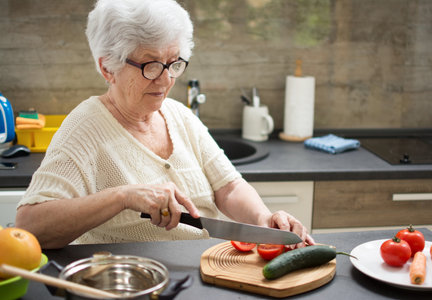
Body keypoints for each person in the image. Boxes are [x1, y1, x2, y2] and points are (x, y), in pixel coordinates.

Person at [15, 0, 315, 249]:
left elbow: (229, 186)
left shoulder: (179, 115)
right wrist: (124, 196)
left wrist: (263, 220)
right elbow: (30, 226)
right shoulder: (84, 128)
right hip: (135, 283)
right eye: (151, 65)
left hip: (206, 273)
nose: (166, 79)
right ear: (108, 67)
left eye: (174, 63)